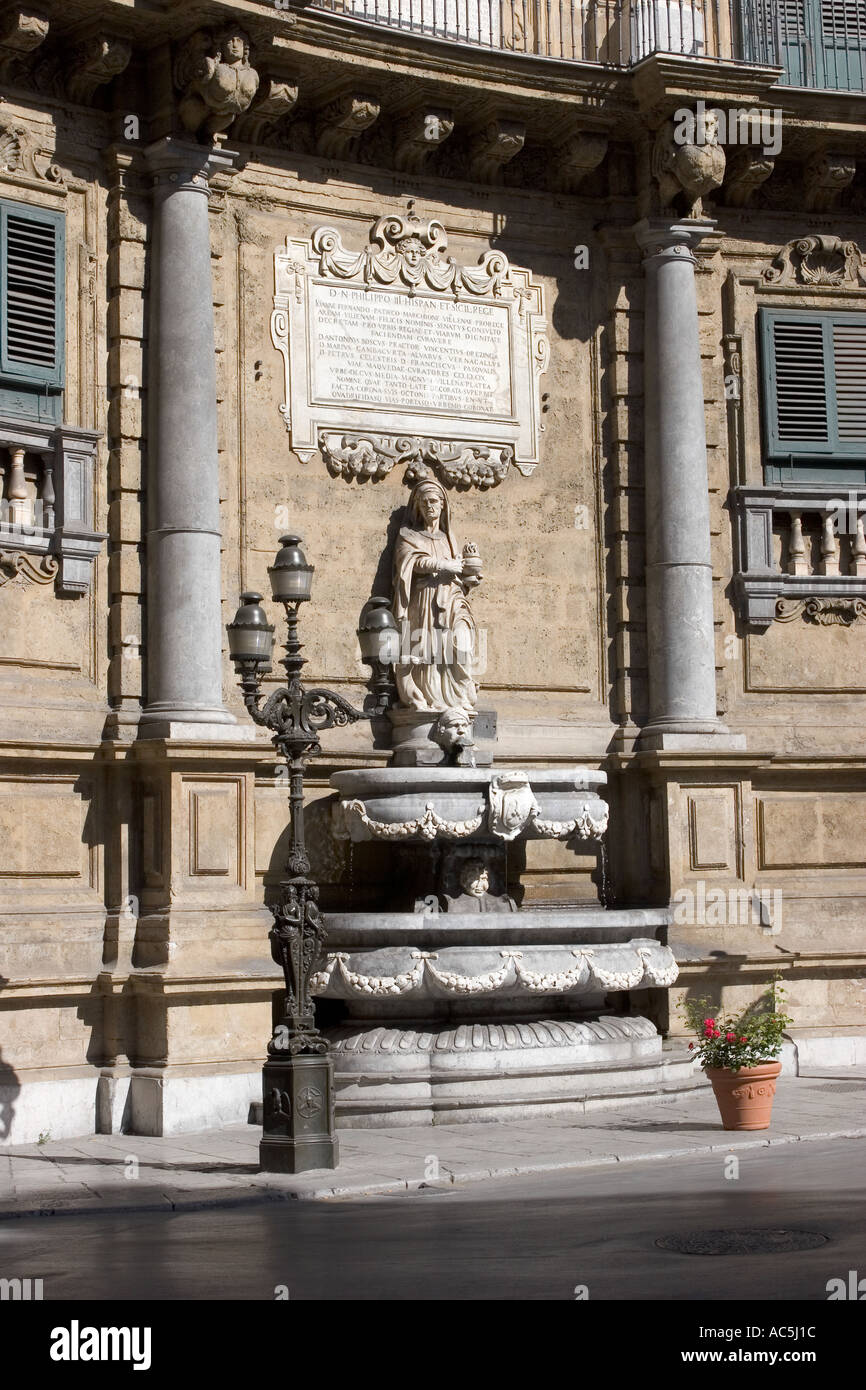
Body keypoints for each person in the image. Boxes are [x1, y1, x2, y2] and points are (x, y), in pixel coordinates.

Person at [392, 479, 480, 712]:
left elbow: (458, 570)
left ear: (442, 505)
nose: (429, 506)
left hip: (453, 600)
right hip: (425, 600)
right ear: (417, 507)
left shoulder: (448, 537)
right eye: (424, 502)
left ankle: (459, 695)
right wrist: (444, 565)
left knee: (461, 643)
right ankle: (432, 697)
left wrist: (469, 576)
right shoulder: (408, 535)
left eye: (434, 501)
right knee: (428, 651)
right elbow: (410, 562)